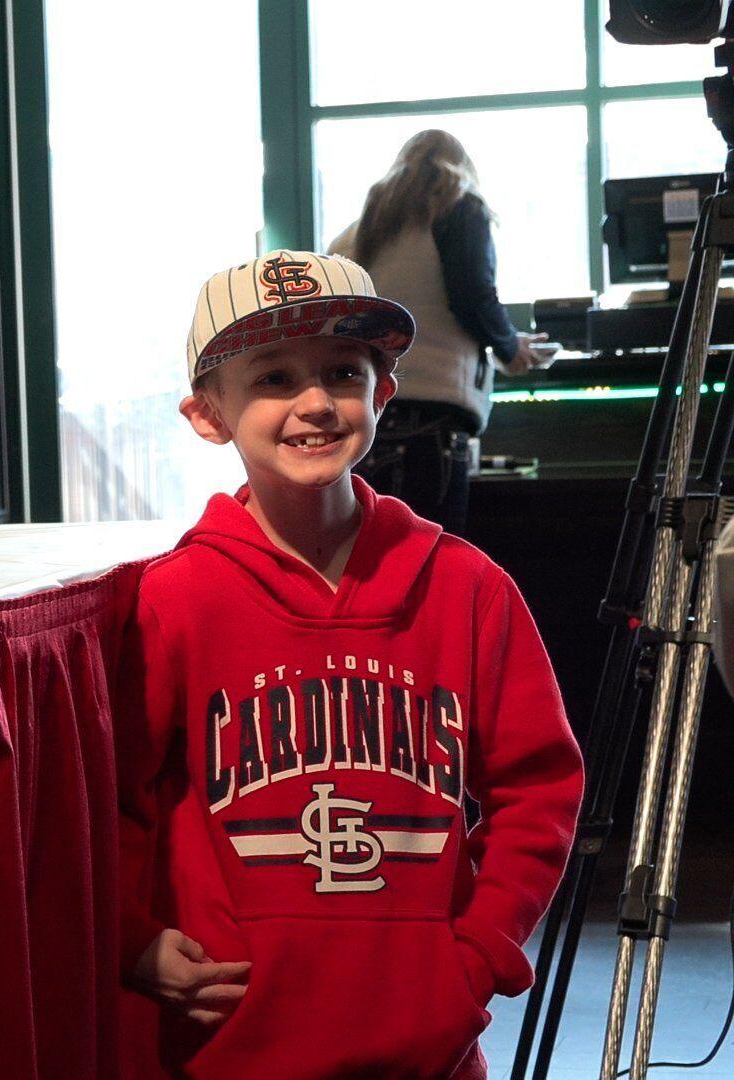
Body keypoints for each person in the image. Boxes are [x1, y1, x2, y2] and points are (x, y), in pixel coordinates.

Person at [115, 250, 583, 1078]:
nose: (314, 403)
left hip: (425, 1045)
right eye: (273, 377)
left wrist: (478, 952)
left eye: (342, 370)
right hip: (231, 1043)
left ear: (383, 393)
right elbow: (110, 799)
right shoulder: (171, 600)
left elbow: (539, 788)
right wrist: (129, 930)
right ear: (207, 413)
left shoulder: (467, 589)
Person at [329, 129, 554, 535]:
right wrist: (508, 349)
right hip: (432, 426)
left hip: (365, 420)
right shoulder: (459, 208)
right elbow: (472, 295)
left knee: (373, 559)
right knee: (434, 566)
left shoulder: (356, 234)